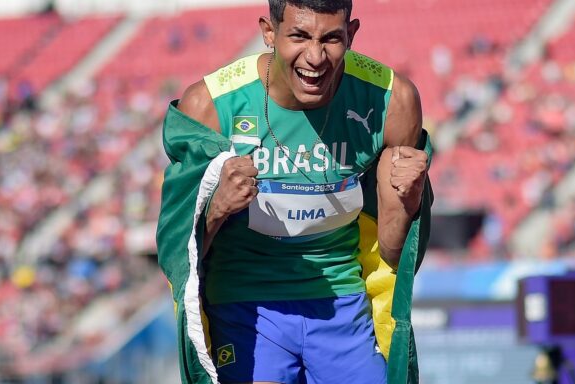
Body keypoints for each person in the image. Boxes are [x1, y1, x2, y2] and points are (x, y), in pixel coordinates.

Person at [156, 1, 433, 383]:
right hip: (245, 307)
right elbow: (177, 259)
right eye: (299, 36)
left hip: (342, 307)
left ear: (352, 34)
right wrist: (216, 208)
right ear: (269, 32)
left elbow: (392, 255)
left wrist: (410, 200)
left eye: (332, 38)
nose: (316, 57)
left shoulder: (391, 101)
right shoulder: (210, 106)